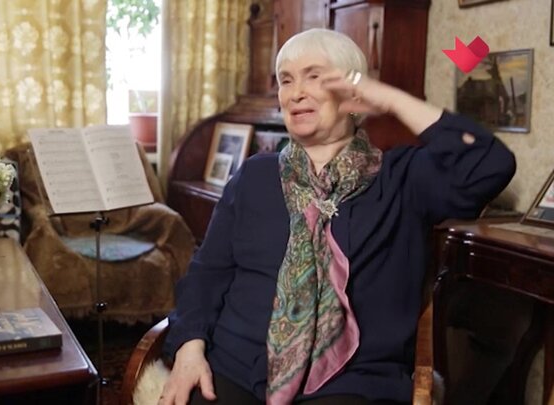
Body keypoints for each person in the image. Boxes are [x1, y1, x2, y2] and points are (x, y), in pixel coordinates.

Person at [159, 28, 516, 405]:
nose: (295, 93)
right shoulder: (253, 176)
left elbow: (490, 164)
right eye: (286, 80)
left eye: (314, 76)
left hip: (352, 379)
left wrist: (390, 98)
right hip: (236, 364)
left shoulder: (402, 178)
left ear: (353, 94)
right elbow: (208, 273)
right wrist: (190, 347)